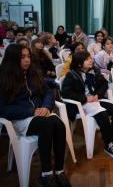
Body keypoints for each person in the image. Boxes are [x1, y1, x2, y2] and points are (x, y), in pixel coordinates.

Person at [0, 44, 71, 187]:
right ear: (12, 60)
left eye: (28, 56)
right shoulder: (4, 79)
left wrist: (45, 106)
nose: (27, 60)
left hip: (40, 113)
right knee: (47, 124)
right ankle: (46, 174)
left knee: (59, 124)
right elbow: (3, 109)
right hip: (20, 120)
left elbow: (48, 92)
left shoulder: (33, 73)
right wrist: (31, 111)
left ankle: (59, 170)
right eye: (22, 57)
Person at [61, 51, 113, 159]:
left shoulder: (94, 71)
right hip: (81, 103)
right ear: (79, 63)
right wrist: (85, 98)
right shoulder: (72, 75)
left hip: (95, 99)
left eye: (90, 58)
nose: (91, 60)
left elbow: (104, 84)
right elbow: (66, 93)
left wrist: (98, 94)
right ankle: (108, 144)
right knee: (103, 115)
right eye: (87, 59)